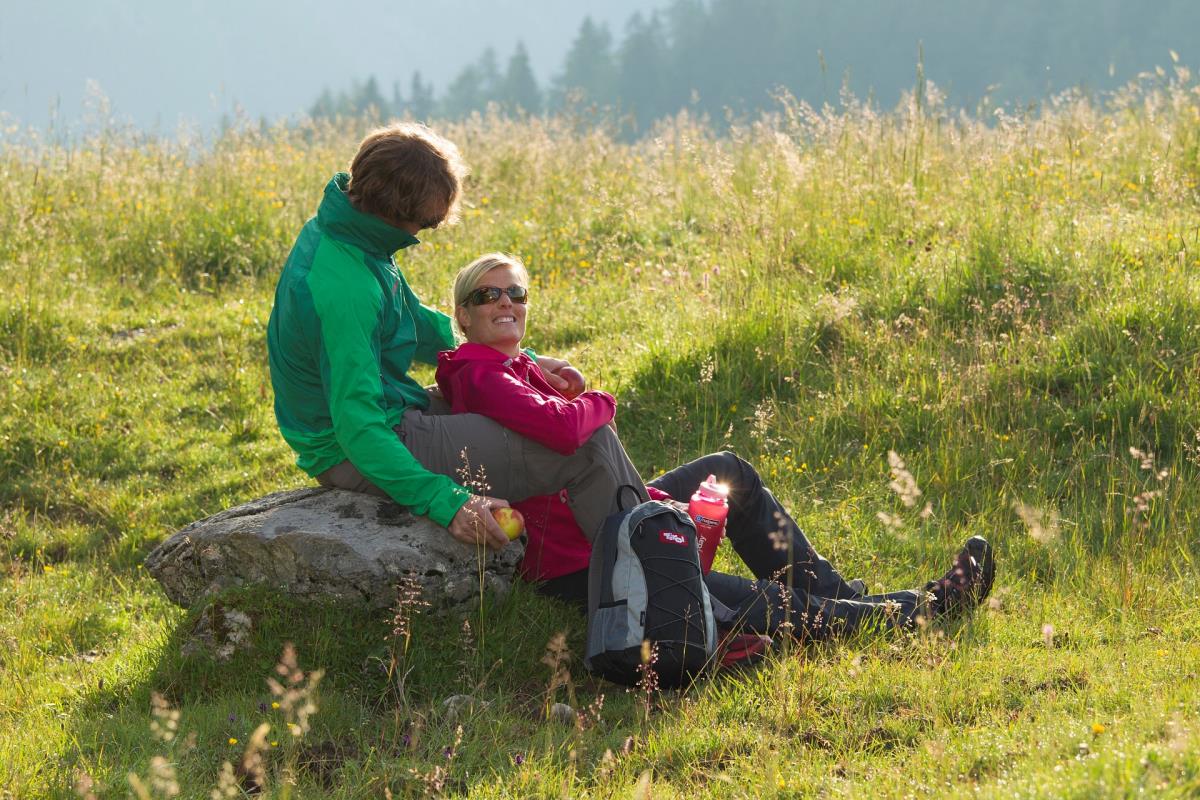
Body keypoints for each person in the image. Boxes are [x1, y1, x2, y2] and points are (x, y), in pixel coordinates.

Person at [435, 252, 996, 639]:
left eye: (516, 292)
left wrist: (552, 374)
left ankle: (839, 595)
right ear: (462, 314)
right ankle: (915, 610)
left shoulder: (514, 367)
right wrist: (599, 399)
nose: (506, 302)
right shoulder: (479, 373)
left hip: (614, 515)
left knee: (730, 472)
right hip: (584, 558)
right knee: (729, 595)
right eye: (488, 294)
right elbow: (564, 430)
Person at [267, 123, 647, 552]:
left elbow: (415, 323)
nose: (417, 235)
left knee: (539, 406)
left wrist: (523, 361)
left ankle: (644, 542)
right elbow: (358, 427)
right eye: (422, 223)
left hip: (386, 409)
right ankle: (651, 570)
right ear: (394, 211)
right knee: (588, 444)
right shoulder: (346, 287)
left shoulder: (349, 235)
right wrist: (447, 503)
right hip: (357, 448)